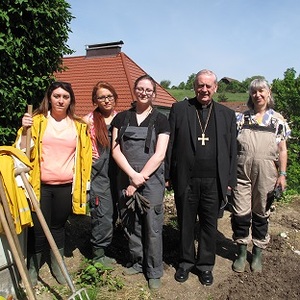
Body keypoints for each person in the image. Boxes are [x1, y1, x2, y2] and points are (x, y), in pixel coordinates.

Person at [14, 81, 92, 286]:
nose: (61, 100)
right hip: (40, 185)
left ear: (70, 101)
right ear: (49, 98)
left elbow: (84, 157)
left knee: (58, 226)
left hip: (66, 186)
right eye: (57, 96)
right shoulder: (37, 121)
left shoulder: (79, 126)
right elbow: (22, 151)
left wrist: (85, 185)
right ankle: (33, 267)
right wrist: (24, 130)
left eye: (65, 97)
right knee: (38, 226)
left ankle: (57, 265)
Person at [165, 69, 237, 286]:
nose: (204, 90)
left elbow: (233, 149)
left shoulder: (227, 114)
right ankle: (185, 262)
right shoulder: (179, 109)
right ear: (194, 86)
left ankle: (205, 265)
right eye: (200, 85)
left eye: (208, 86)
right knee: (185, 223)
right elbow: (170, 145)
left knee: (208, 225)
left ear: (215, 88)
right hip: (186, 179)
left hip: (214, 181)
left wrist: (230, 181)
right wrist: (168, 174)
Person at [111, 74, 170, 290]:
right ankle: (137, 261)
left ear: (154, 94)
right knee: (130, 222)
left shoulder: (161, 120)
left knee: (152, 226)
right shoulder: (121, 118)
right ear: (135, 91)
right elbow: (115, 150)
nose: (144, 93)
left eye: (148, 90)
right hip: (125, 177)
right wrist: (130, 175)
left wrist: (137, 180)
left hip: (151, 181)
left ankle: (153, 270)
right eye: (140, 89)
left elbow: (160, 154)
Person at [231, 78, 291, 273]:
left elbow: (282, 150)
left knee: (261, 213)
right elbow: (232, 147)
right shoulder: (241, 119)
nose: (258, 95)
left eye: (261, 91)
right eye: (254, 91)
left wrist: (282, 174)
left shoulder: (277, 120)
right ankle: (241, 252)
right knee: (240, 213)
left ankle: (257, 252)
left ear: (268, 92)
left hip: (267, 174)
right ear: (250, 94)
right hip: (242, 172)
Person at [83, 81, 118, 267]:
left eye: (109, 96)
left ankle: (112, 245)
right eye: (102, 97)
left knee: (116, 213)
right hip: (99, 175)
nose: (106, 100)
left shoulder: (121, 118)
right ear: (95, 100)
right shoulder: (89, 120)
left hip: (119, 174)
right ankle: (98, 255)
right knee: (102, 215)